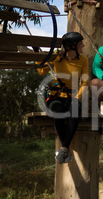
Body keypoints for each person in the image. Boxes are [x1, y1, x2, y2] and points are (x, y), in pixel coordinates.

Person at [37, 32, 89, 164]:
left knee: (75, 111)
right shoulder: (56, 57)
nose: (83, 45)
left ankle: (64, 148)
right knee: (57, 112)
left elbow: (84, 82)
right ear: (72, 46)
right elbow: (41, 71)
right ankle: (65, 148)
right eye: (80, 43)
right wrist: (38, 55)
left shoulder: (83, 59)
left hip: (73, 96)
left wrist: (77, 98)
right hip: (56, 95)